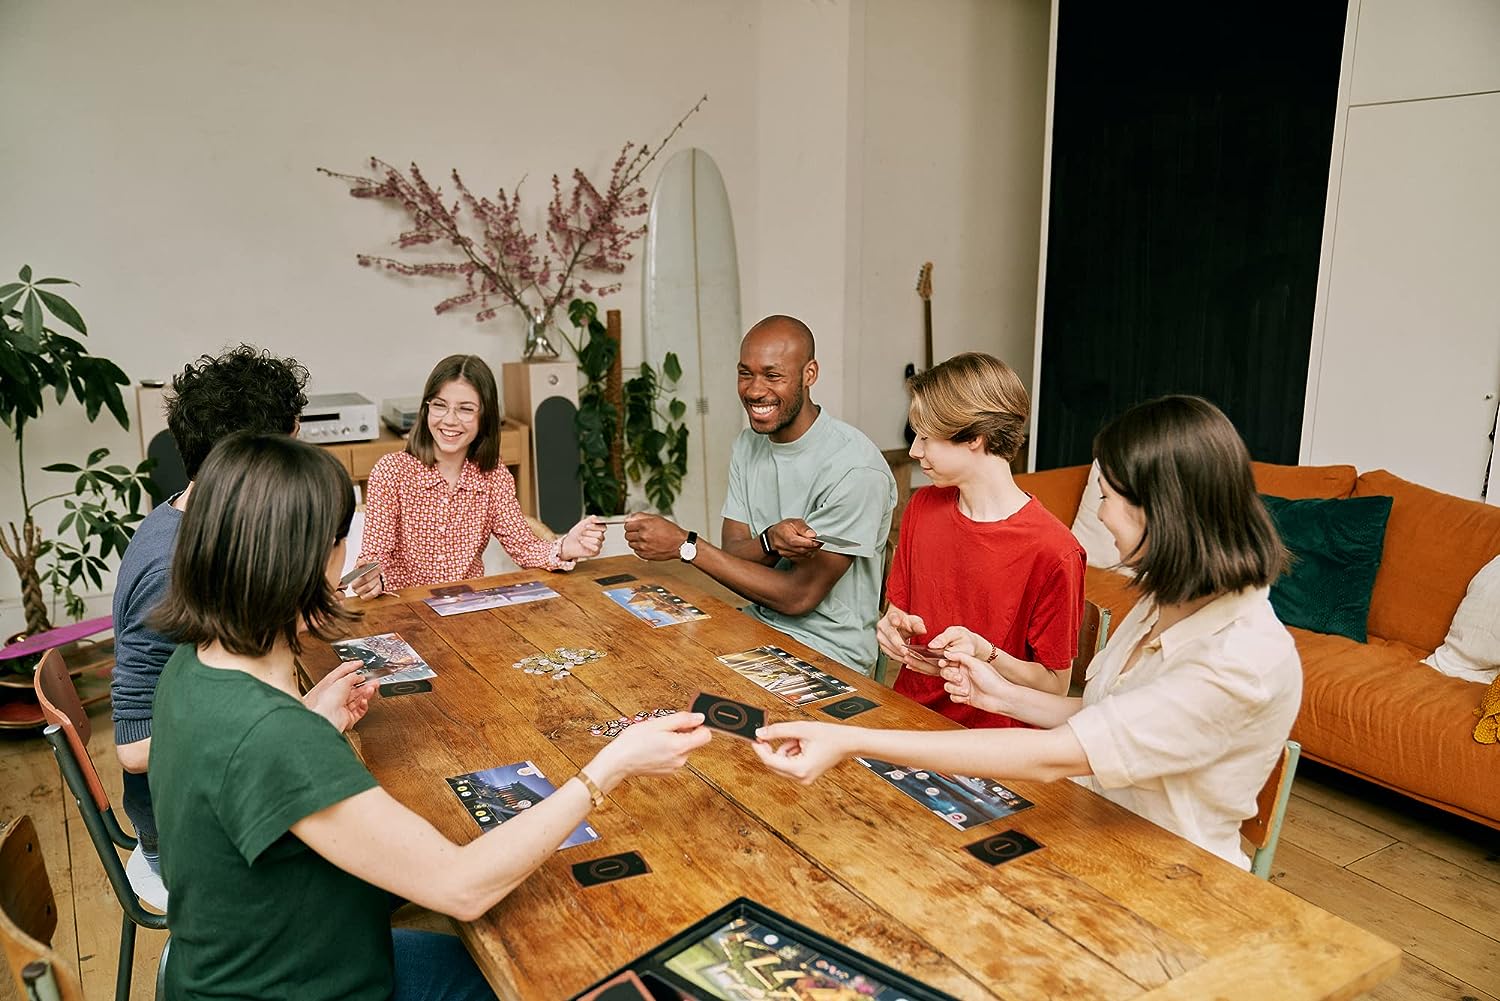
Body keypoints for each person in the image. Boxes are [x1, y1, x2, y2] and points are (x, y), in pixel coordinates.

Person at [149, 433, 710, 1000]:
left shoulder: (190, 668)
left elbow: (249, 774)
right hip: (307, 983)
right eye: (343, 540)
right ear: (304, 560)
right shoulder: (274, 736)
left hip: (258, 957)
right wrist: (608, 767)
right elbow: (460, 887)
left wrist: (308, 719)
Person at [754, 396, 1301, 869]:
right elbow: (1103, 711)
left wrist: (850, 740)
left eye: (1107, 497)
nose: (1103, 516)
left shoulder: (1238, 659)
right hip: (1085, 822)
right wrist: (1003, 691)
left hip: (1162, 871)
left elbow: (1058, 753)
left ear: (1164, 511)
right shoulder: (1171, 598)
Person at [111, 344, 310, 875]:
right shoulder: (173, 567)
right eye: (294, 447)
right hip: (186, 833)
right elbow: (133, 749)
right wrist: (289, 720)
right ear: (252, 464)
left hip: (216, 788)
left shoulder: (200, 518)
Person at [623, 316, 896, 674]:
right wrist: (769, 540)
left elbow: (798, 596)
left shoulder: (855, 469)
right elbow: (735, 552)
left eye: (772, 375)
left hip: (831, 654)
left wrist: (685, 546)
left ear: (809, 374)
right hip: (758, 626)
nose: (754, 390)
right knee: (641, 660)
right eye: (745, 373)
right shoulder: (749, 444)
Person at [880, 353, 1085, 727]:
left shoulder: (1055, 551)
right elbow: (901, 611)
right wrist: (893, 627)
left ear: (975, 437)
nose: (914, 451)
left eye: (926, 437)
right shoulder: (923, 506)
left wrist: (984, 653)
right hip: (908, 717)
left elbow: (1055, 686)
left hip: (990, 739)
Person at [352, 355, 605, 598]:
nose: (449, 420)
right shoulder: (392, 471)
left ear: (484, 417)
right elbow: (376, 556)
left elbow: (524, 547)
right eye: (440, 405)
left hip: (467, 610)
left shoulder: (494, 476)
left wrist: (566, 547)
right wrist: (371, 578)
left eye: (465, 409)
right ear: (426, 409)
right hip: (404, 612)